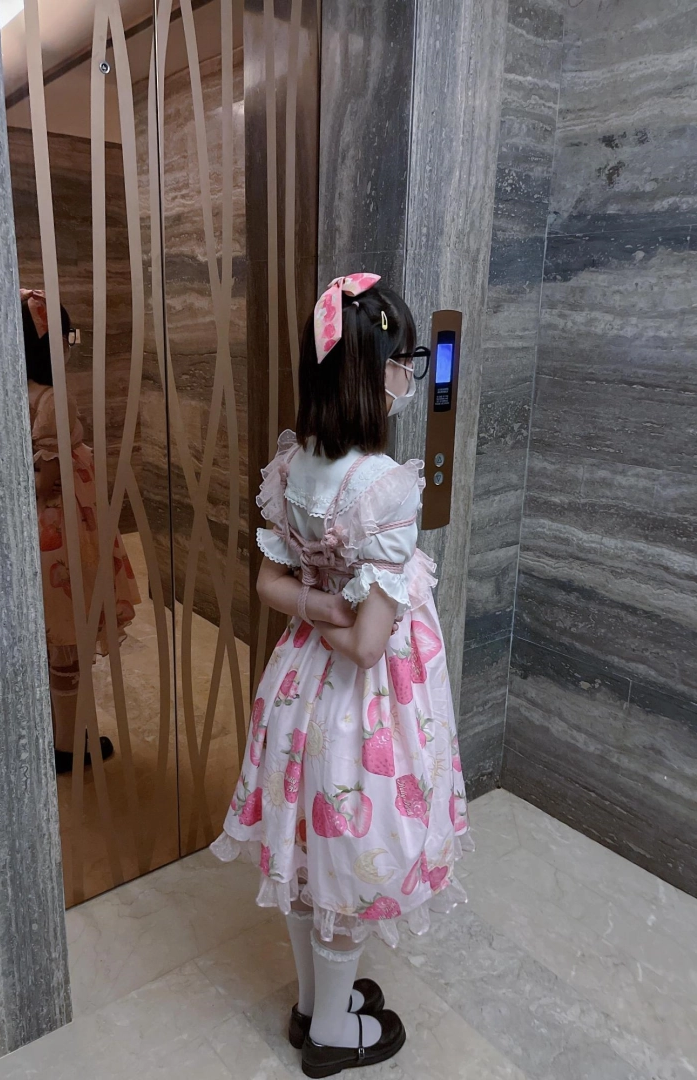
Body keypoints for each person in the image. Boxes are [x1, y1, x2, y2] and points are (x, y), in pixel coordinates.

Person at [212, 273, 472, 1077]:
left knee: (307, 850)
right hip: (367, 706)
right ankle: (330, 1033)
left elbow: (269, 586)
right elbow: (366, 646)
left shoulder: (293, 463)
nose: (409, 376)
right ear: (372, 371)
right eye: (405, 361)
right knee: (352, 860)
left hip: (296, 688)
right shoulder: (387, 486)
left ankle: (311, 1003)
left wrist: (314, 601)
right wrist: (342, 610)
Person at [21, 288, 141, 774]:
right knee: (67, 636)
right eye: (68, 337)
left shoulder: (14, 390)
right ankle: (68, 745)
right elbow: (46, 480)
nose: (71, 346)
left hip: (36, 532)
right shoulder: (52, 399)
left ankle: (53, 732)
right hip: (60, 532)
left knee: (50, 636)